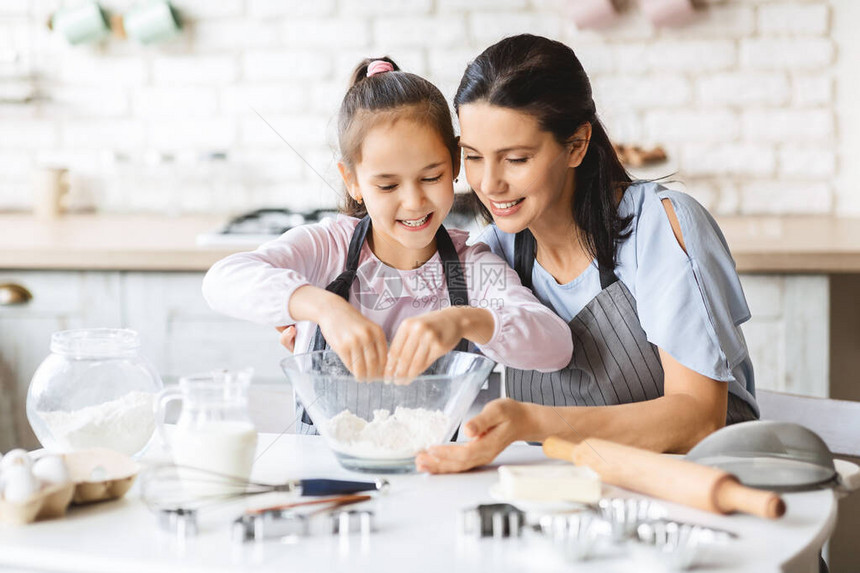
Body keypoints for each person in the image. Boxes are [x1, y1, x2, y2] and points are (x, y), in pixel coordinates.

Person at [414, 35, 759, 473]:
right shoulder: (496, 254)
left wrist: (535, 422)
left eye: (516, 158)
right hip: (584, 500)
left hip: (715, 493)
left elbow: (699, 418)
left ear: (576, 145)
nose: (489, 184)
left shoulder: (661, 227)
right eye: (474, 157)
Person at [202, 57, 573, 434]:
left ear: (456, 161)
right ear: (352, 181)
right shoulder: (328, 247)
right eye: (388, 186)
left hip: (432, 473)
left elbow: (557, 347)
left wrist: (465, 319)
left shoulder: (473, 265)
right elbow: (222, 280)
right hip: (324, 464)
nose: (413, 202)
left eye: (431, 177)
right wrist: (324, 306)